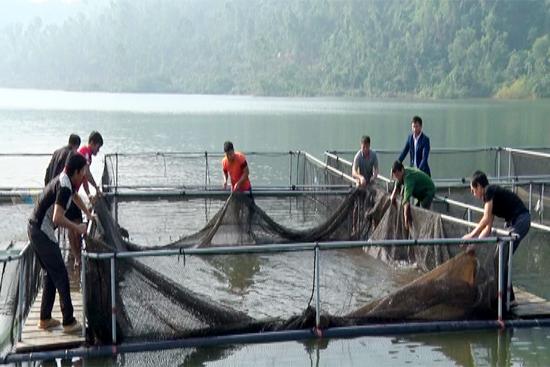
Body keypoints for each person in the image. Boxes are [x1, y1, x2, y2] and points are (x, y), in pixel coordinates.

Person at [28, 153, 92, 333]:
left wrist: (88, 215)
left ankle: (45, 318)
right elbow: (58, 217)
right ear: (76, 171)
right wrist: (77, 227)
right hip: (41, 231)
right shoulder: (64, 186)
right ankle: (69, 322)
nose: (84, 176)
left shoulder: (67, 181)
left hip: (35, 228)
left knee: (50, 273)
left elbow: (76, 198)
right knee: (62, 274)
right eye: (83, 172)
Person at [462, 171, 531, 308]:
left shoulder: (489, 191)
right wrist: (474, 244)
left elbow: (485, 219)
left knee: (500, 256)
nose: (473, 193)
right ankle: (508, 296)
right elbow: (488, 228)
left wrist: (471, 235)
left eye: (472, 189)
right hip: (515, 222)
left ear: (479, 186)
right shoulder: (489, 197)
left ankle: (507, 299)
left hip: (521, 220)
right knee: (499, 257)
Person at [64, 131, 103, 266]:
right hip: (69, 192)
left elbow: (84, 177)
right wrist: (97, 188)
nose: (98, 150)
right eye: (98, 146)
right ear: (92, 143)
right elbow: (86, 172)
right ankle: (77, 258)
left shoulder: (87, 156)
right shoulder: (85, 152)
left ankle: (76, 256)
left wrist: (88, 194)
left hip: (73, 192)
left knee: (76, 226)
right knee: (75, 227)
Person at [390, 160, 435, 229]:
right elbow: (398, 182)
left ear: (402, 170)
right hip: (419, 193)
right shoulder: (403, 171)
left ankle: (425, 228)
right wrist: (393, 195)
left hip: (427, 192)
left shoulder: (408, 178)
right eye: (395, 176)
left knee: (422, 212)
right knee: (415, 209)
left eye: (398, 175)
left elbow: (406, 200)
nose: (397, 178)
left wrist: (405, 218)